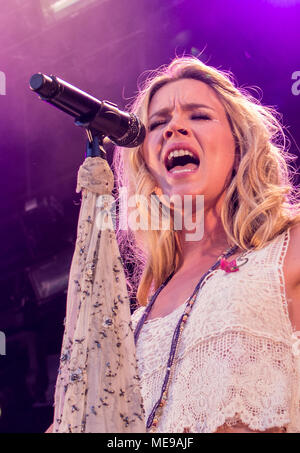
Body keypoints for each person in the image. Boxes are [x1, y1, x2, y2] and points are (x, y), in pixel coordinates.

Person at [111, 56, 300, 433]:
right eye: (158, 123)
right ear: (147, 164)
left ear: (238, 146)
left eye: (198, 115)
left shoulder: (287, 247)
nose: (173, 128)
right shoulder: (139, 319)